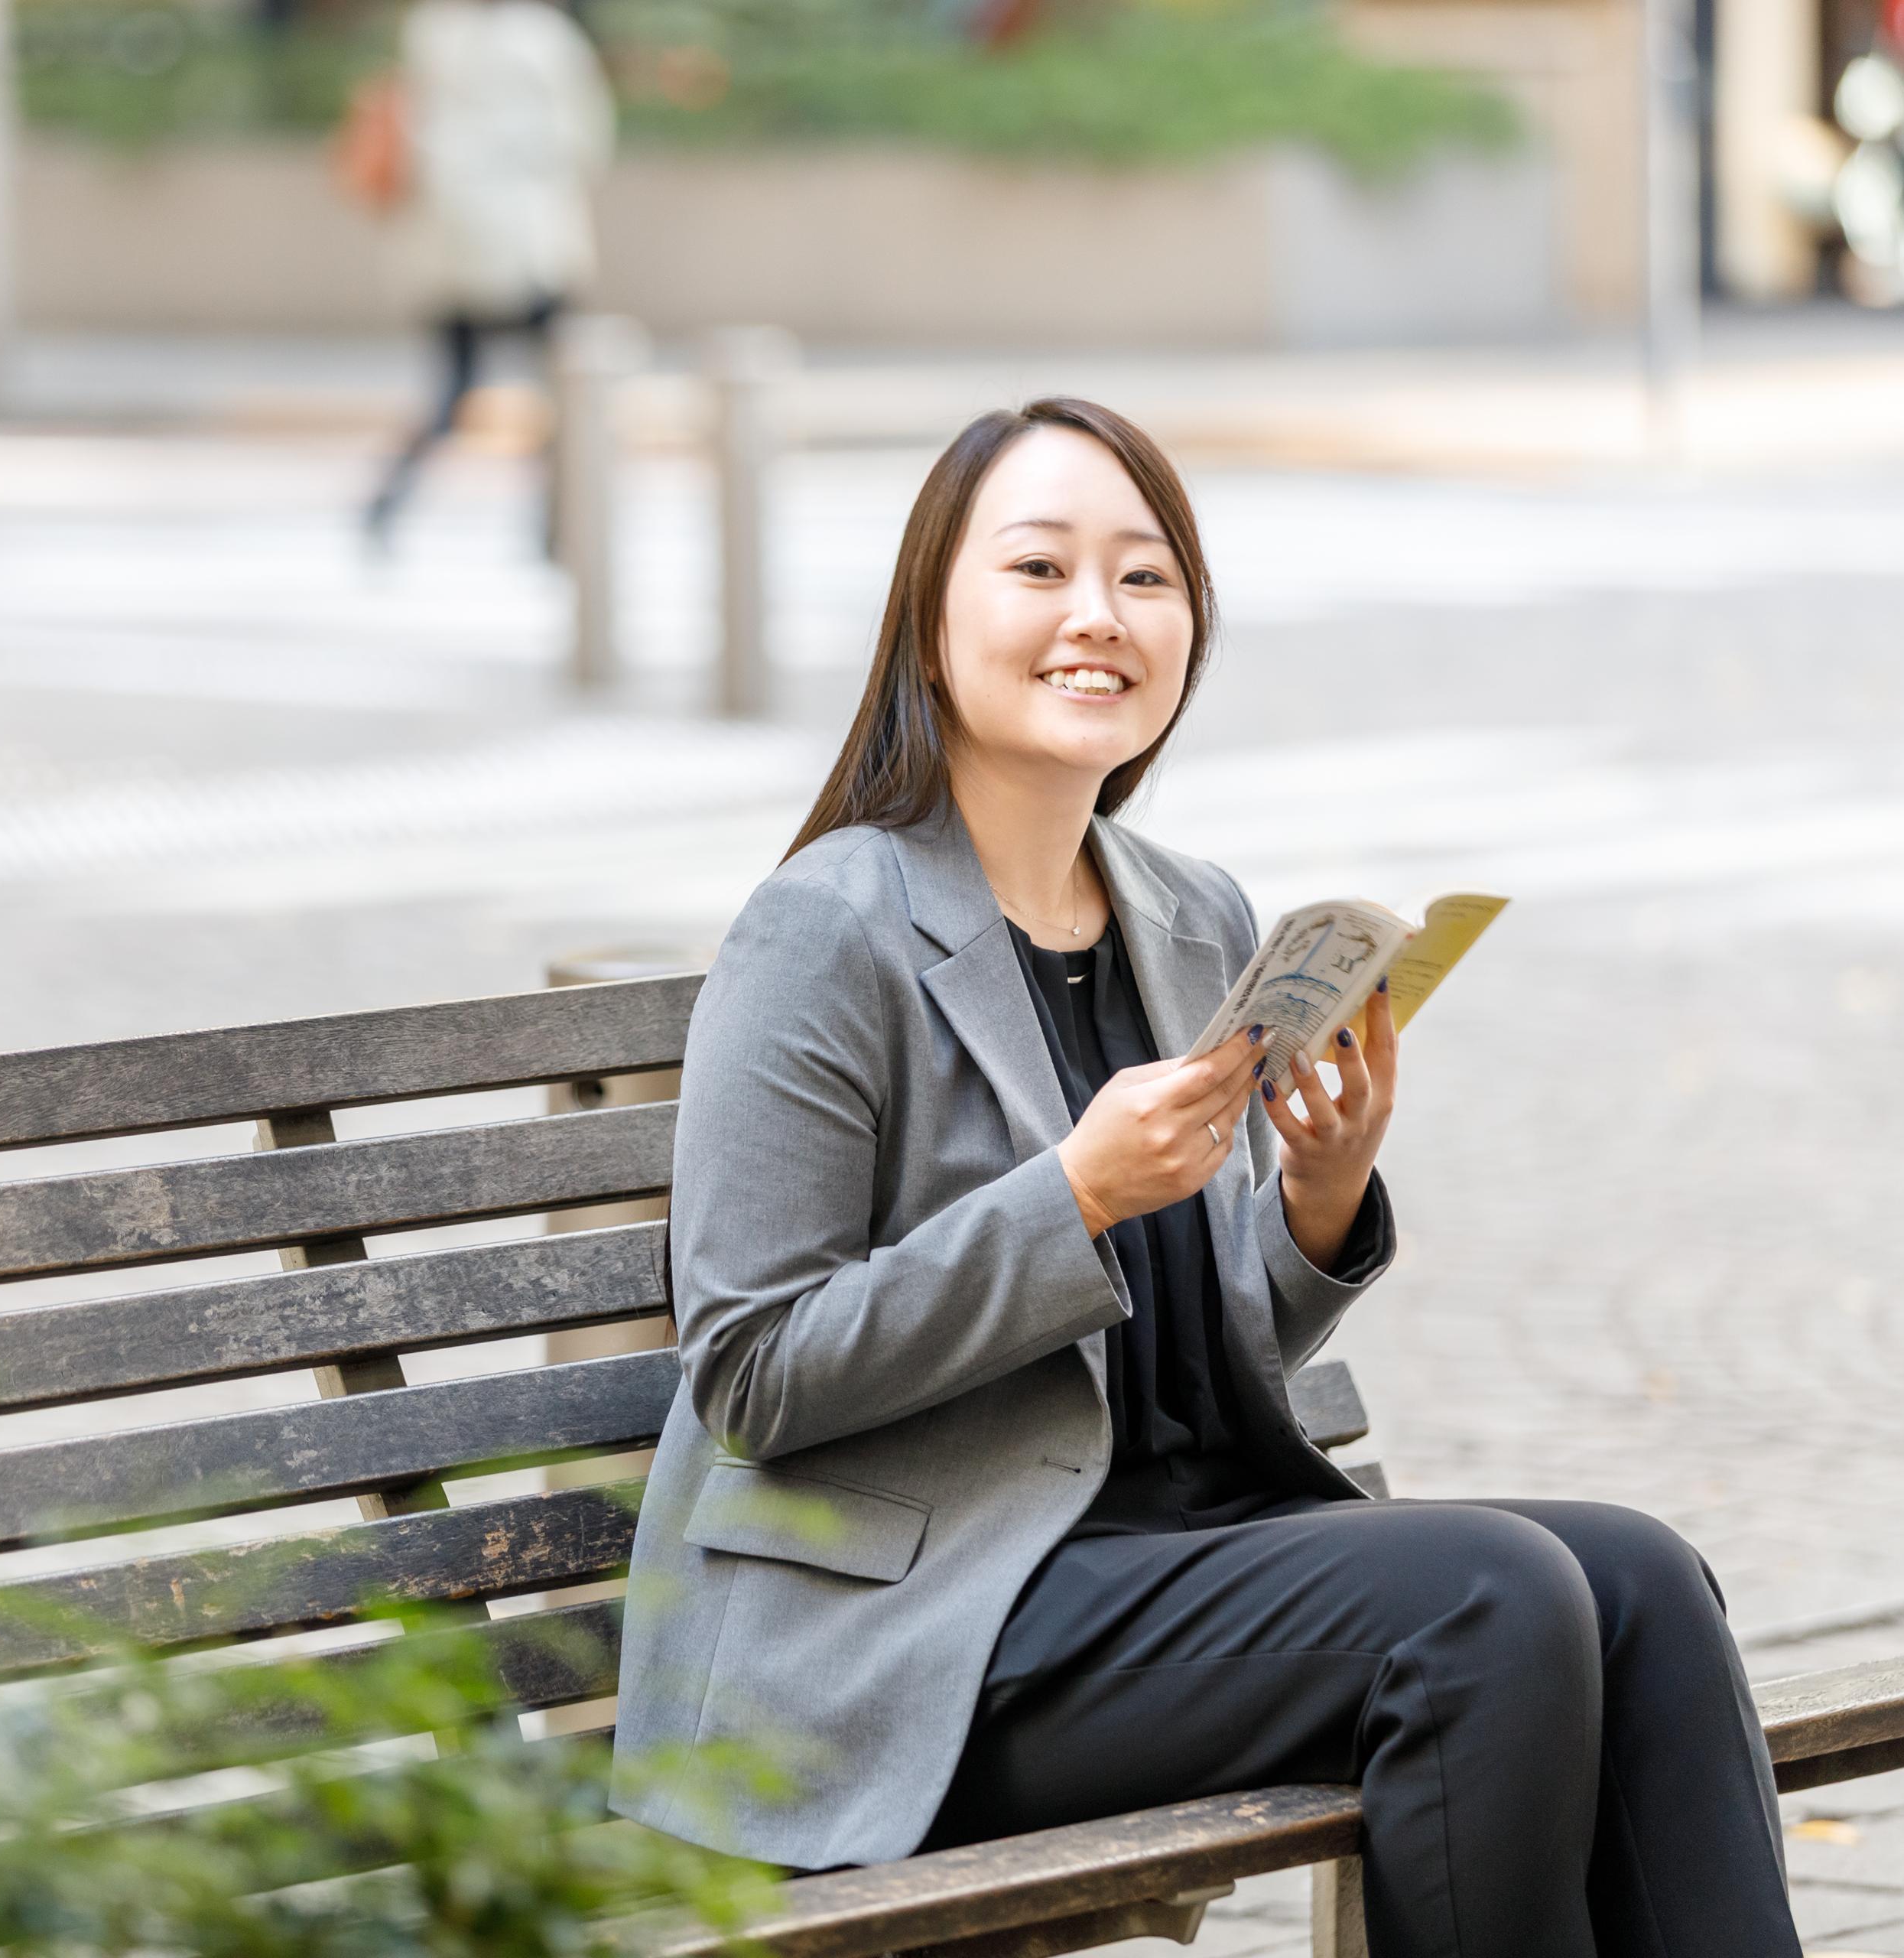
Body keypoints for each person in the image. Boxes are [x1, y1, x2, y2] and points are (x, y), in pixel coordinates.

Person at [606, 398, 1798, 1956]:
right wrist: (1072, 1196)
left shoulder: (1185, 913)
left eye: (1145, 578)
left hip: (1145, 1571)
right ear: (932, 616)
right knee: (1486, 1599)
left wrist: (1313, 1202)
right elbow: (754, 1373)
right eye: (1039, 567)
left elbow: (1169, 1368)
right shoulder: (827, 928)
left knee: (1640, 1574)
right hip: (903, 1646)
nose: (1097, 615)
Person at [360, 0, 612, 548]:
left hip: (450, 245)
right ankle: (555, 522)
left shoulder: (433, 29)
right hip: (526, 242)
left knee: (454, 389)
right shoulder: (542, 36)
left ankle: (390, 502)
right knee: (563, 389)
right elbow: (583, 137)